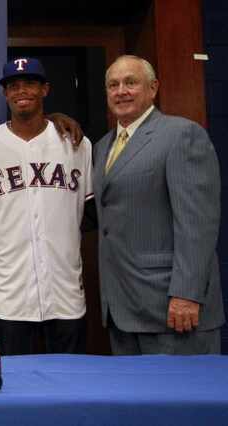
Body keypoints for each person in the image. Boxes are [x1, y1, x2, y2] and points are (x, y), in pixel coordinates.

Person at [0, 58, 93, 355]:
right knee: (13, 390)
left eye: (30, 83)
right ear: (5, 94)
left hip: (64, 290)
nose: (21, 91)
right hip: (8, 293)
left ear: (45, 89)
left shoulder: (76, 143)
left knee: (70, 384)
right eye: (13, 86)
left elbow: (89, 212)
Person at [94, 55, 224, 354]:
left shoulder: (181, 135)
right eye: (113, 85)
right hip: (121, 309)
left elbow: (197, 225)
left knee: (186, 399)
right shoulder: (103, 146)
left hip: (172, 309)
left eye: (131, 82)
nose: (121, 91)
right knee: (133, 401)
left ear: (153, 88)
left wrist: (187, 294)